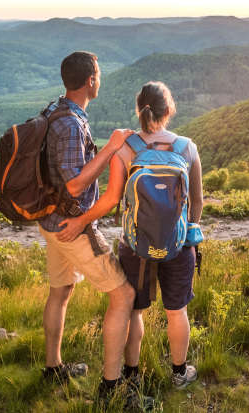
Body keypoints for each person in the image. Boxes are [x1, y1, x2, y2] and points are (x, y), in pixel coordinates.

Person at [57, 81, 204, 390]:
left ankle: (132, 374)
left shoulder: (126, 148)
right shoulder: (187, 147)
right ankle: (179, 374)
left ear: (140, 110)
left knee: (134, 310)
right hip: (178, 245)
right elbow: (197, 203)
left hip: (135, 245)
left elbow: (111, 199)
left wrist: (82, 220)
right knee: (177, 311)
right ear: (169, 110)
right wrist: (185, 233)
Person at [39, 51, 149, 406]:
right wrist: (112, 149)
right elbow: (74, 185)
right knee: (124, 295)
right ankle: (111, 386)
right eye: (98, 74)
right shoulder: (70, 124)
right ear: (90, 81)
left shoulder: (56, 110)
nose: (99, 79)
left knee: (61, 290)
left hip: (51, 221)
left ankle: (52, 367)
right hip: (72, 226)